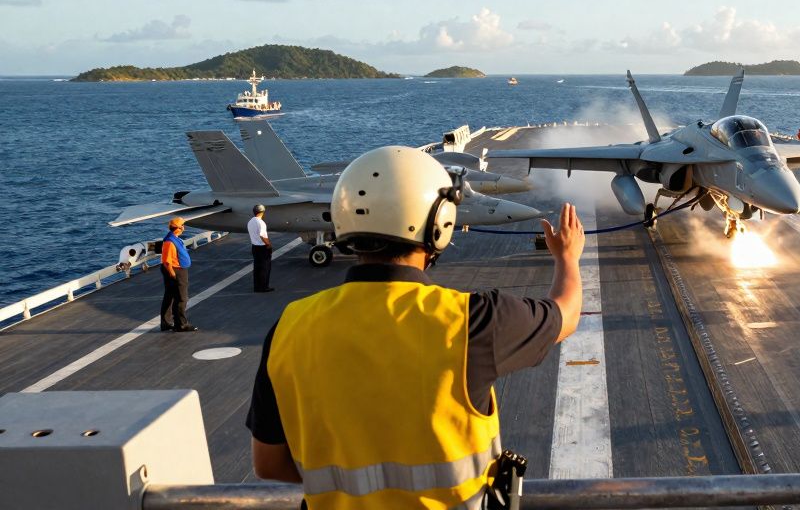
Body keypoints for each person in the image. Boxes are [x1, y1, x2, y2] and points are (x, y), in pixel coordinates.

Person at [246, 146, 584, 509]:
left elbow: (268, 464)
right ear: (438, 224)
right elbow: (565, 313)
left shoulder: (290, 326)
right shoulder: (473, 319)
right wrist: (567, 258)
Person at [159, 217, 197, 332]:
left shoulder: (174, 238)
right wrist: (173, 275)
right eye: (182, 226)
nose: (184, 227)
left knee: (170, 296)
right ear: (178, 228)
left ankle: (166, 323)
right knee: (182, 298)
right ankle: (181, 324)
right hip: (176, 270)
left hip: (177, 269)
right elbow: (166, 261)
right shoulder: (170, 242)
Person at [248, 204, 274, 292]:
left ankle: (257, 287)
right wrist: (269, 245)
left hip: (254, 247)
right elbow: (263, 236)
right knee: (265, 268)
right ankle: (264, 287)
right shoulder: (261, 222)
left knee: (257, 268)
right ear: (262, 212)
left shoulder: (250, 221)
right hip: (262, 248)